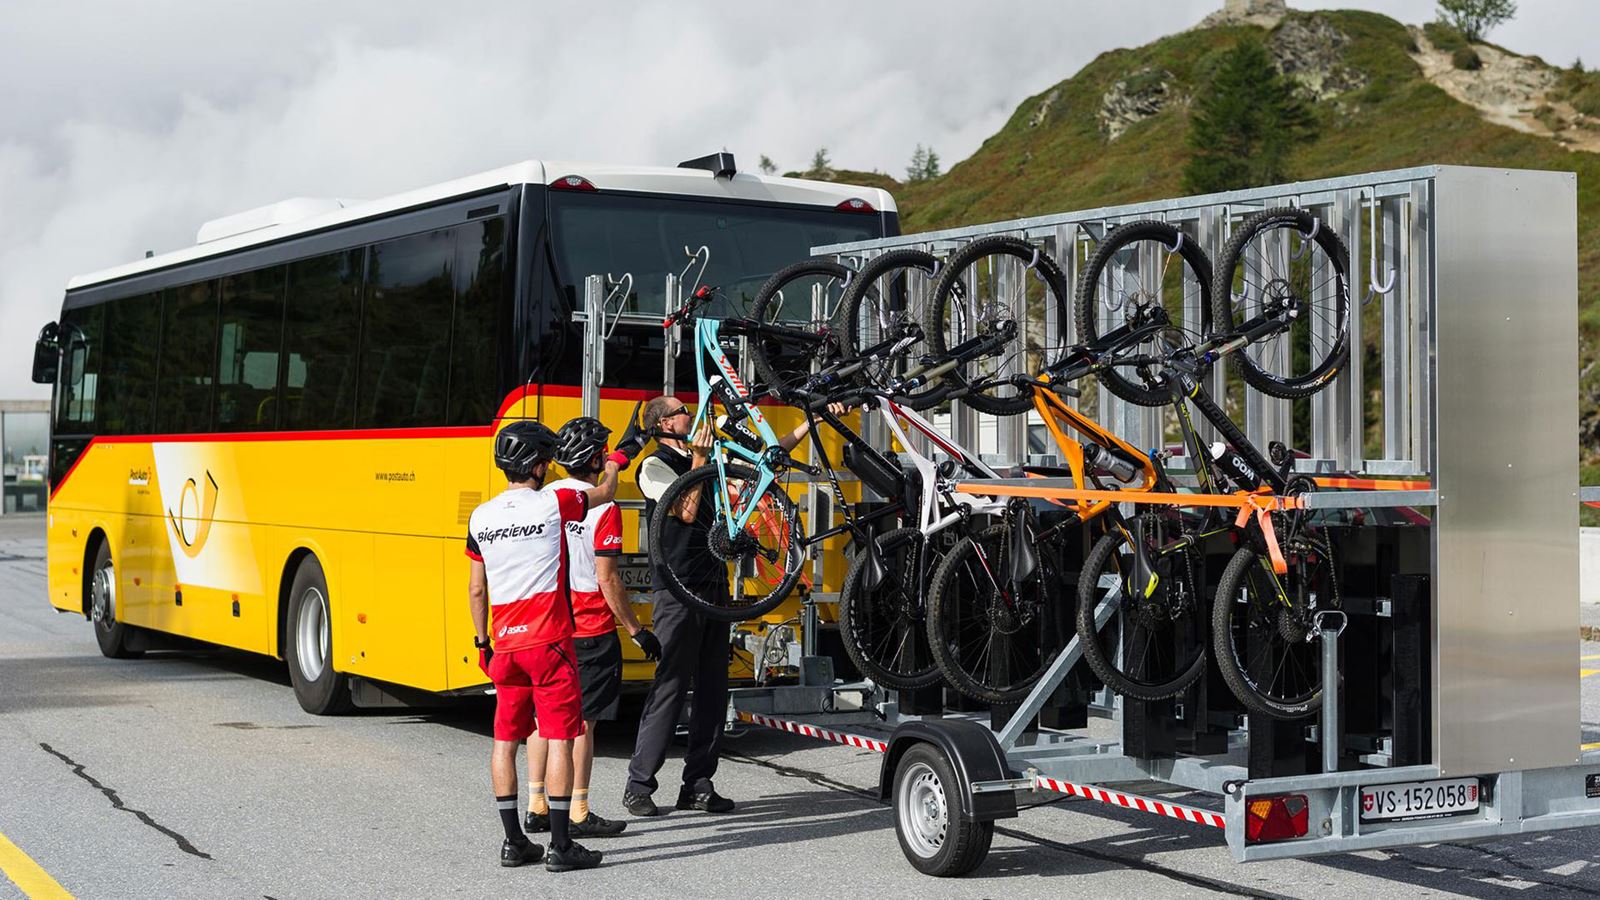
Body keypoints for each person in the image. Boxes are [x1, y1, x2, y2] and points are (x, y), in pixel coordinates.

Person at [622, 395, 827, 817]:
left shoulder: (712, 462)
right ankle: (639, 785)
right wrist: (698, 458)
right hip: (677, 590)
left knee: (714, 689)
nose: (691, 416)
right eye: (681, 411)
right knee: (671, 686)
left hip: (714, 586)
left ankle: (697, 783)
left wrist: (812, 421)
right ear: (664, 424)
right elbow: (684, 510)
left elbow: (766, 460)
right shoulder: (653, 466)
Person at [466, 419, 637, 872]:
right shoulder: (553, 502)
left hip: (504, 645)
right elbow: (604, 493)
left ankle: (513, 843)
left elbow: (477, 589)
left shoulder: (480, 517)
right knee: (561, 734)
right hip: (550, 644)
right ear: (541, 465)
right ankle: (562, 845)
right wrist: (618, 460)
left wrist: (482, 641)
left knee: (506, 741)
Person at [524, 417, 664, 840]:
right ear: (595, 458)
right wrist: (637, 629)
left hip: (546, 624)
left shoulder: (543, 498)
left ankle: (536, 805)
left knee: (542, 718)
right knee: (583, 724)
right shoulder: (605, 507)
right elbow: (608, 579)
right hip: (590, 628)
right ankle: (580, 810)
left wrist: (619, 456)